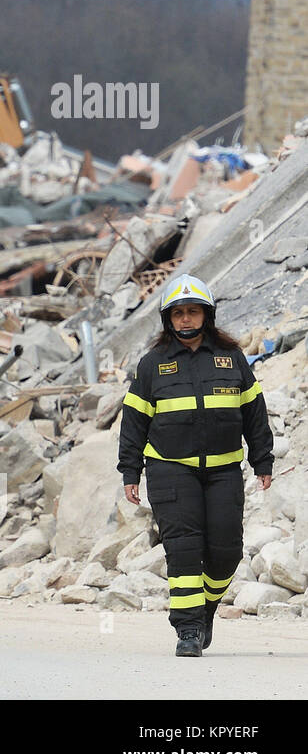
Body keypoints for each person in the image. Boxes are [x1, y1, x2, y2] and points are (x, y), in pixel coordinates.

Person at [119, 273, 274, 657]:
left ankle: (205, 608)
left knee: (227, 551)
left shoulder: (232, 358)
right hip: (170, 469)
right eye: (178, 313)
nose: (186, 319)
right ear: (167, 319)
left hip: (223, 470)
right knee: (184, 550)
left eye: (193, 312)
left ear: (207, 315)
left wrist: (262, 460)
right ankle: (188, 630)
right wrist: (130, 471)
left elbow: (254, 413)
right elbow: (134, 420)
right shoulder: (152, 364)